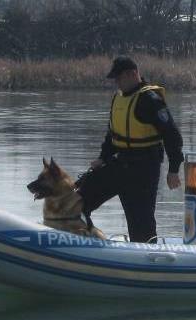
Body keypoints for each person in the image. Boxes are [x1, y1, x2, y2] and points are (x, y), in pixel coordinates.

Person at [77, 56, 183, 243]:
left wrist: (173, 169)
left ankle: (147, 254)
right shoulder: (118, 98)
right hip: (120, 164)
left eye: (119, 78)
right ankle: (79, 240)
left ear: (133, 74)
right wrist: (103, 157)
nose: (116, 82)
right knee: (77, 201)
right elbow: (112, 135)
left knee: (141, 226)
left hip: (144, 170)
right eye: (115, 79)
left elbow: (172, 135)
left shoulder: (150, 99)